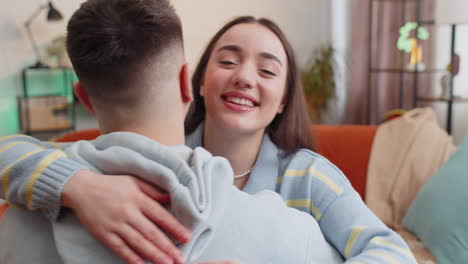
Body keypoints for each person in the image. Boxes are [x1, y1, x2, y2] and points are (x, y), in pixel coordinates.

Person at [0, 4, 416, 264]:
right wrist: (76, 185)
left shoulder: (309, 178)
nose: (244, 78)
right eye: (228, 61)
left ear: (284, 99)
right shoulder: (132, 161)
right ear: (193, 83)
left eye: (267, 70)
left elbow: (392, 253)